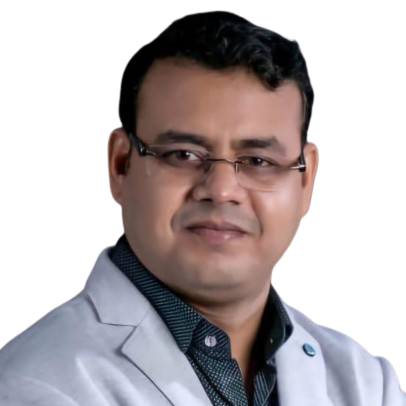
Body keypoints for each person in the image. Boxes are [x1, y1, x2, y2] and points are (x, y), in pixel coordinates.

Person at [0, 10, 404, 406]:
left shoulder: (367, 383)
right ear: (120, 165)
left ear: (306, 181)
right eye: (183, 154)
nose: (222, 190)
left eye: (258, 160)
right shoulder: (36, 386)